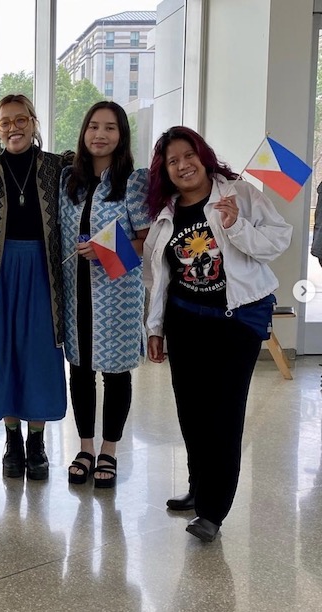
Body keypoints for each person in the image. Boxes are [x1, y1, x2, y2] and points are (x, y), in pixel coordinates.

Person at [144, 126, 291, 542]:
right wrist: (155, 328)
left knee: (224, 417)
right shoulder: (166, 210)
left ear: (202, 155)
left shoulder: (238, 194)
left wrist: (237, 223)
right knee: (192, 411)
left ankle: (213, 511)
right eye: (172, 161)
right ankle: (199, 487)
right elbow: (159, 276)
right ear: (166, 172)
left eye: (187, 155)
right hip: (185, 321)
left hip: (237, 319)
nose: (182, 165)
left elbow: (277, 241)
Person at [0, 94, 71, 481]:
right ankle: (12, 441)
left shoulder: (60, 167)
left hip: (44, 271)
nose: (14, 127)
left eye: (21, 119)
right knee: (5, 351)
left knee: (40, 354)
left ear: (34, 121)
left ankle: (38, 442)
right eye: (5, 121)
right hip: (0, 273)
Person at [59, 101, 150, 488]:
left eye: (110, 128)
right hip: (75, 291)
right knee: (79, 370)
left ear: (121, 135)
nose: (100, 135)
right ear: (83, 133)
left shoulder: (134, 180)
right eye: (93, 126)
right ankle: (84, 446)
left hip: (117, 293)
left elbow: (148, 238)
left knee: (115, 375)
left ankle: (109, 451)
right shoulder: (68, 180)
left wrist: (105, 249)